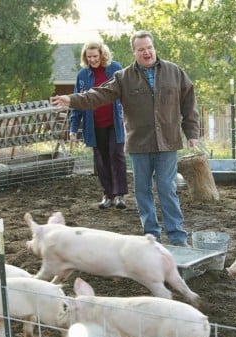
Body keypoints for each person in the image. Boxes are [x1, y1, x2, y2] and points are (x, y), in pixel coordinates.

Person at [50, 30, 200, 247]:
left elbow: (189, 103)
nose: (146, 52)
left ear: (154, 47)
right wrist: (71, 100)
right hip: (139, 143)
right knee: (142, 191)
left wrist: (192, 133)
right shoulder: (124, 77)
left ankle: (177, 237)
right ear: (134, 52)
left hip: (168, 141)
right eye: (141, 49)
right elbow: (98, 95)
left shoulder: (174, 72)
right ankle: (152, 237)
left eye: (149, 48)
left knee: (167, 188)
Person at [69, 41, 128, 209]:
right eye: (89, 57)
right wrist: (73, 128)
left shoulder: (115, 68)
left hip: (114, 123)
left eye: (95, 56)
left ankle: (120, 195)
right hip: (93, 125)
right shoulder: (82, 75)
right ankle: (108, 194)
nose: (93, 60)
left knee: (116, 156)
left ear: (102, 55)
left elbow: (125, 93)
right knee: (101, 160)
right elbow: (78, 101)